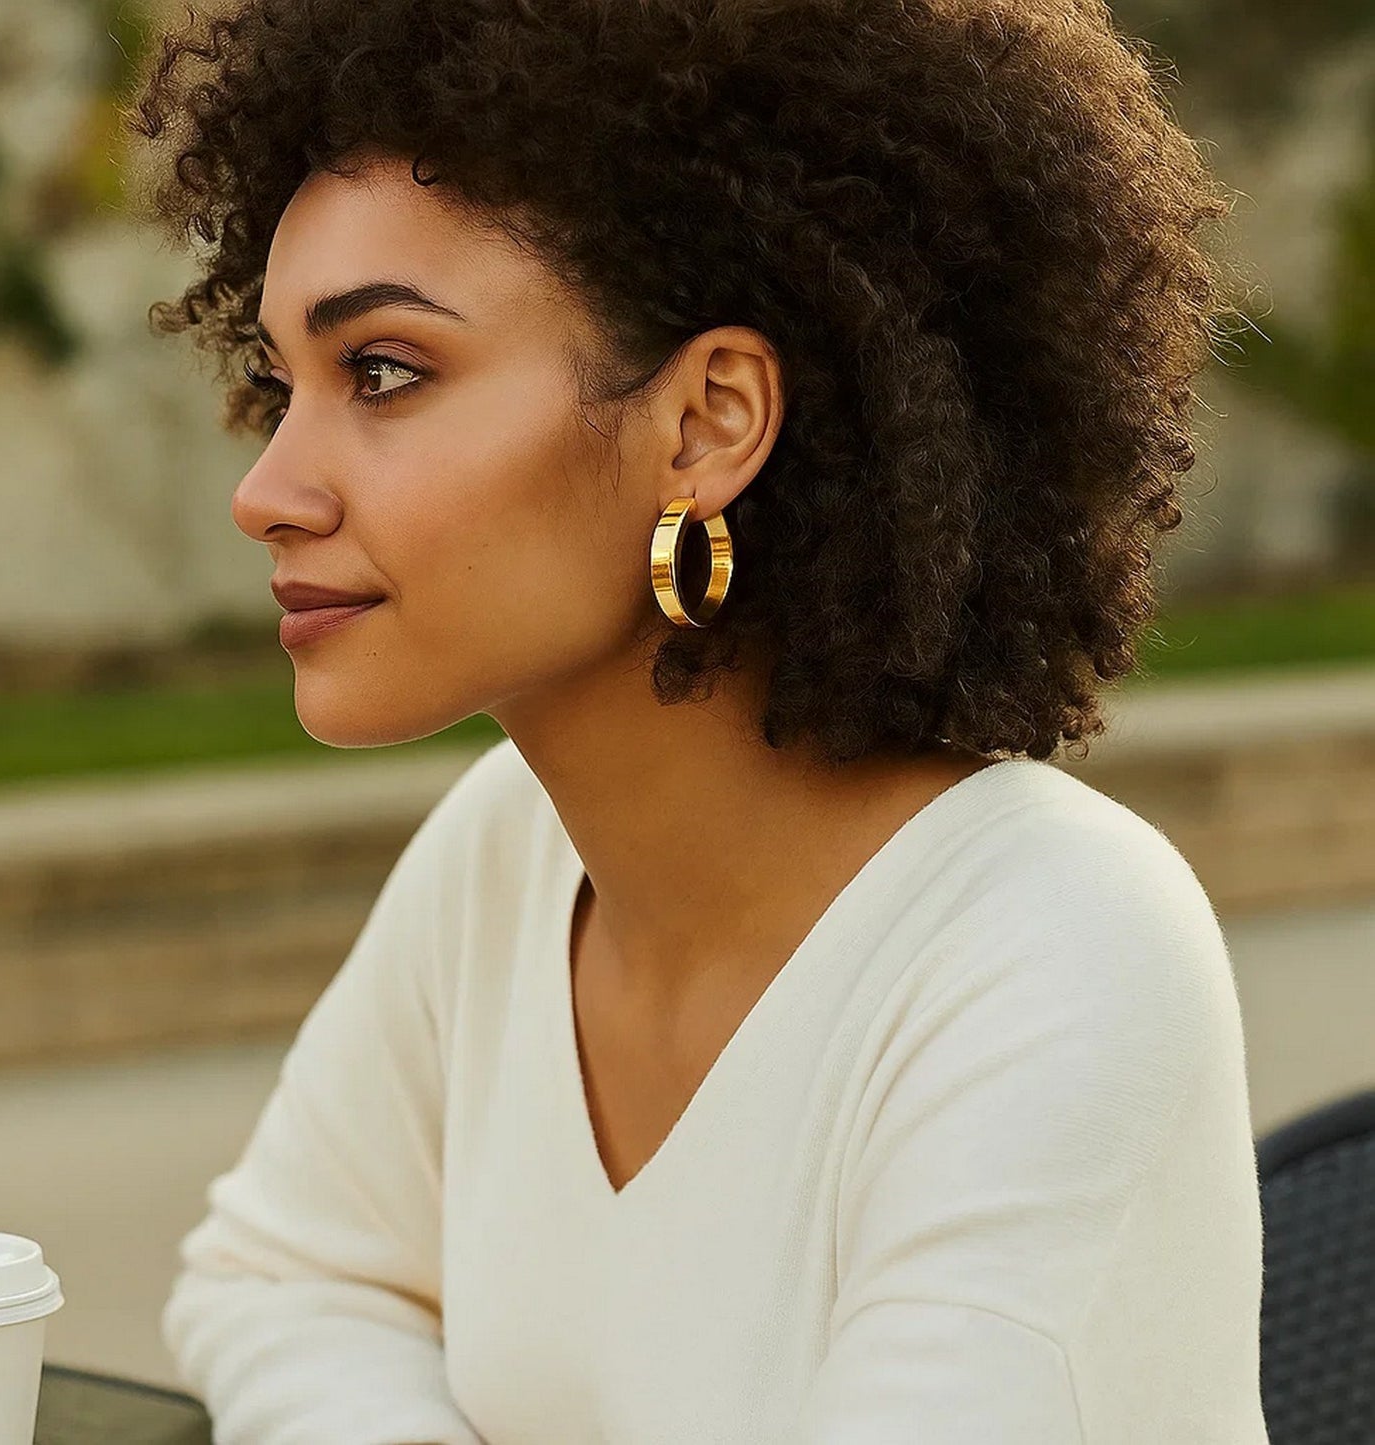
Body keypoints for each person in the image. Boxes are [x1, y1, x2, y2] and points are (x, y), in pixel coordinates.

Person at [129, 0, 1268, 1440]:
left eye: (385, 373)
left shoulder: (1046, 948)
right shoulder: (508, 860)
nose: (268, 489)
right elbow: (281, 1276)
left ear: (708, 419)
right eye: (282, 381)